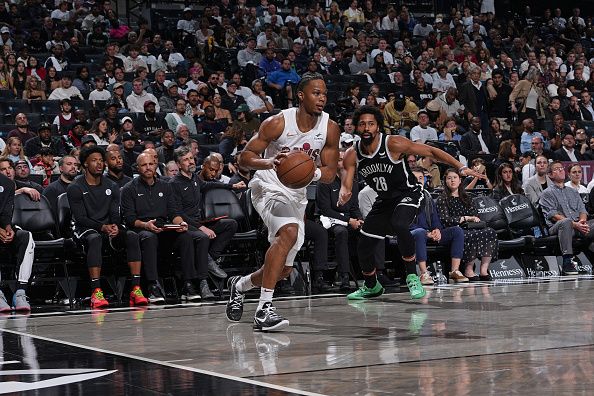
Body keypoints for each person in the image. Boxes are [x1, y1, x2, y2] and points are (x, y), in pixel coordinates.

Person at [226, 74, 340, 331]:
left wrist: (311, 172)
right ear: (301, 95)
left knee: (283, 269)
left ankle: (240, 285)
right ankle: (264, 310)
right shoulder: (277, 123)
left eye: (324, 93)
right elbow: (244, 158)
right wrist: (270, 162)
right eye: (315, 93)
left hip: (296, 193)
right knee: (288, 232)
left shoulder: (329, 128)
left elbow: (331, 173)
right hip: (267, 185)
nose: (321, 98)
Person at [338, 105, 484, 300]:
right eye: (362, 124)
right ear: (356, 128)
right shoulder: (352, 154)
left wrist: (460, 166)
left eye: (371, 124)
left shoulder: (393, 143)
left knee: (400, 223)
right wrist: (344, 192)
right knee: (364, 244)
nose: (366, 128)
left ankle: (412, 276)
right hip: (385, 199)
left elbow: (431, 151)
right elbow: (347, 183)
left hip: (410, 192)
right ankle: (372, 285)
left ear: (378, 127)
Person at [67, 146, 148, 309]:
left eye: (101, 161)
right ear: (85, 164)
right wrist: (102, 227)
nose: (99, 164)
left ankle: (136, 289)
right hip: (84, 229)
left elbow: (115, 214)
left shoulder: (112, 186)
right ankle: (96, 291)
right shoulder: (75, 187)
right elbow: (81, 218)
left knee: (132, 236)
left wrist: (115, 227)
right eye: (94, 161)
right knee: (95, 238)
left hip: (107, 228)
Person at [120, 153, 196, 303]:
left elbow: (173, 212)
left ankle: (188, 284)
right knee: (149, 237)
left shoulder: (165, 186)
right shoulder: (129, 189)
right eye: (143, 165)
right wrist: (146, 225)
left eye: (151, 164)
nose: (148, 167)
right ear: (137, 168)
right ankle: (152, 285)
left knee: (186, 236)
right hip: (141, 229)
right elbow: (129, 219)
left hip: (163, 227)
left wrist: (180, 223)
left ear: (156, 165)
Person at [169, 145, 240, 300]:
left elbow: (209, 184)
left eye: (191, 158)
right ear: (179, 164)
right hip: (186, 226)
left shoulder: (195, 178)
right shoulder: (174, 183)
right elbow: (178, 213)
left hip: (199, 223)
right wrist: (201, 227)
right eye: (185, 160)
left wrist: (232, 186)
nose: (190, 162)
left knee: (230, 224)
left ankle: (209, 259)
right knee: (203, 237)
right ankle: (203, 282)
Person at [315, 149, 364, 291]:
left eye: (344, 159)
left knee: (368, 231)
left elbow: (354, 207)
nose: (342, 162)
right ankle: (344, 277)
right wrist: (349, 221)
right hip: (328, 219)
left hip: (347, 219)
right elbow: (325, 210)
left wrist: (360, 220)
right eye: (339, 159)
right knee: (341, 232)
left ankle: (375, 273)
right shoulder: (324, 182)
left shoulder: (352, 183)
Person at [436, 168, 497, 281]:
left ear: (460, 180)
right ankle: (468, 270)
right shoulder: (442, 199)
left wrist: (473, 219)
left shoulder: (468, 198)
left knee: (490, 232)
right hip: (454, 230)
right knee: (470, 235)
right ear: (445, 181)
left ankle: (484, 270)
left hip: (470, 226)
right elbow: (445, 220)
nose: (452, 180)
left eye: (455, 178)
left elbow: (475, 214)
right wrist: (464, 218)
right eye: (449, 178)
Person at [409, 167, 467, 285]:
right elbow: (405, 223)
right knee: (420, 232)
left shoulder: (427, 196)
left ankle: (455, 270)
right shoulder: (404, 197)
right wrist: (427, 233)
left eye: (421, 178)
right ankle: (424, 273)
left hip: (430, 233)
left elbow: (435, 217)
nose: (418, 181)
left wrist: (437, 230)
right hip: (413, 233)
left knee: (457, 231)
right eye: (415, 178)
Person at [539, 161, 594, 275]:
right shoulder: (547, 193)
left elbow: (582, 210)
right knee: (566, 221)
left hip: (578, 226)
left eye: (561, 168)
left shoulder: (573, 191)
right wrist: (576, 225)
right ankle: (567, 262)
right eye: (556, 169)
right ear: (550, 175)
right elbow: (553, 215)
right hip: (557, 227)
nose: (561, 170)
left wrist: (582, 222)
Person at [0, 170, 35, 312]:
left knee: (26, 237)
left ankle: (20, 292)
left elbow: (6, 213)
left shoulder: (7, 183)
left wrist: (8, 228)